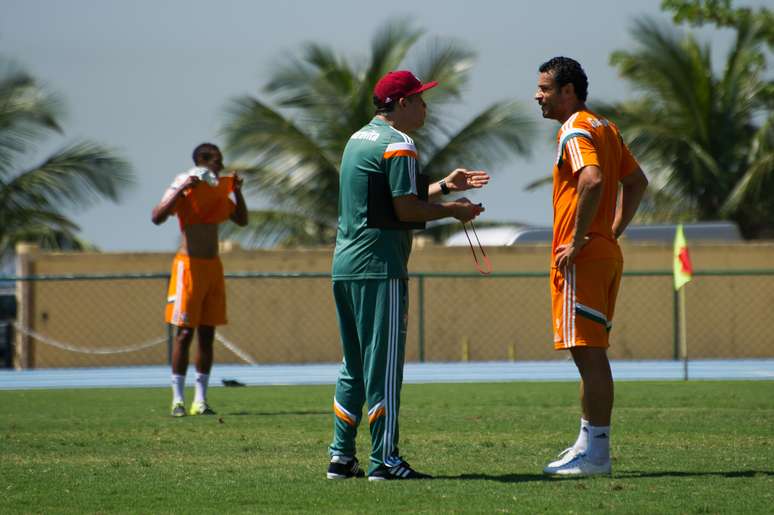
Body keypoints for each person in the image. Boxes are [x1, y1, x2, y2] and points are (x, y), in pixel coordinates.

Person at [327, 70, 489, 481]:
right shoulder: (400, 144)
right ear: (401, 104)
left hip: (346, 266)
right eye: (419, 98)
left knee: (355, 366)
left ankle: (341, 458)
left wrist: (442, 187)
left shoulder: (357, 139)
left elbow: (389, 200)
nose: (425, 106)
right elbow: (406, 211)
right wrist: (455, 210)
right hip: (380, 269)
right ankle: (385, 461)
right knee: (383, 367)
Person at [534, 57, 648, 476]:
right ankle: (587, 441)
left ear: (568, 92)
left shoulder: (576, 128)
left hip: (582, 256)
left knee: (589, 356)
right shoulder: (607, 128)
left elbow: (593, 178)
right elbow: (637, 182)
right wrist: (611, 230)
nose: (537, 95)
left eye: (544, 88)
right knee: (589, 352)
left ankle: (597, 454)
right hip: (603, 253)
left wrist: (580, 238)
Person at [151, 143, 248, 417]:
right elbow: (157, 216)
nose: (220, 166)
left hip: (213, 267)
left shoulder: (217, 190)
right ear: (203, 161)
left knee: (207, 334)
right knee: (184, 334)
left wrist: (237, 192)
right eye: (216, 161)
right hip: (188, 266)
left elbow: (242, 220)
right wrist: (182, 189)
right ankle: (178, 400)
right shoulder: (185, 186)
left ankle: (201, 400)